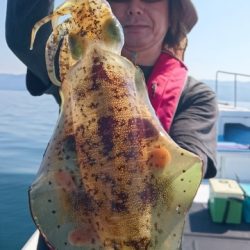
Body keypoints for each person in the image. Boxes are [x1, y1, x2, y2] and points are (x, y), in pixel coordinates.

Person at [6, 0, 217, 247]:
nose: (135, 7)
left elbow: (185, 170)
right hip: (77, 229)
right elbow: (23, 36)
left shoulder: (196, 96)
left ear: (173, 15)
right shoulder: (75, 74)